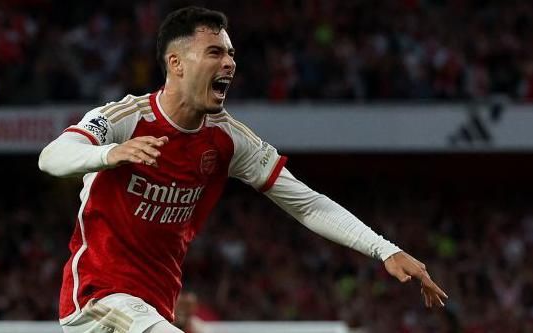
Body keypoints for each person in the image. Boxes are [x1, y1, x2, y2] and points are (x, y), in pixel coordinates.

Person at [38, 6, 448, 333]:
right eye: (215, 52)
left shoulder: (229, 140)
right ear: (177, 63)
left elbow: (306, 204)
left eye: (231, 53)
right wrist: (109, 154)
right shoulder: (126, 118)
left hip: (157, 307)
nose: (230, 62)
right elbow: (53, 155)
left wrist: (384, 248)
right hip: (97, 299)